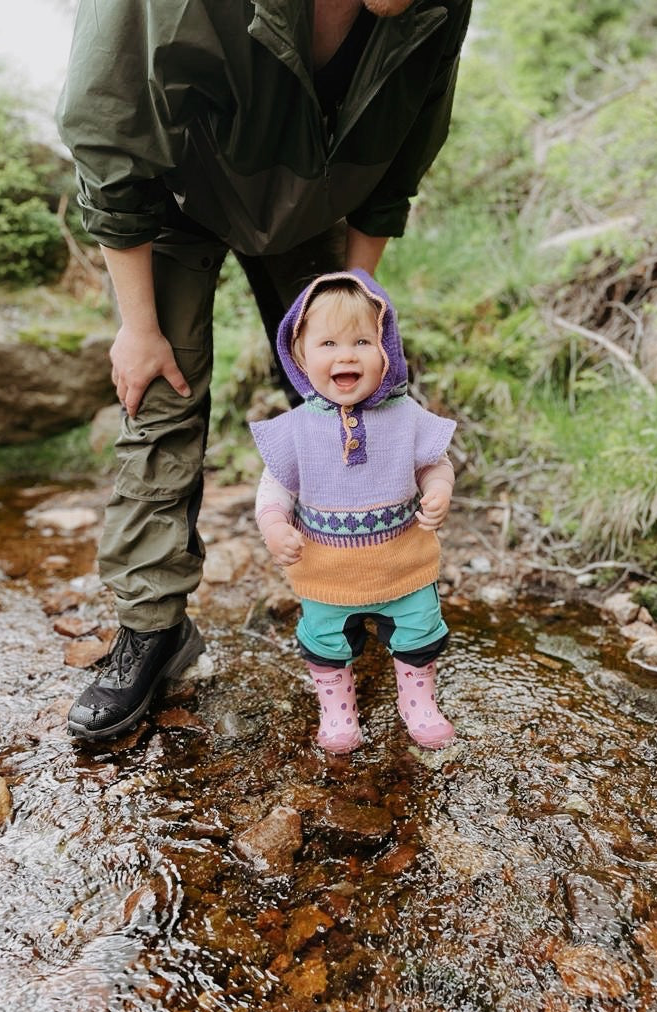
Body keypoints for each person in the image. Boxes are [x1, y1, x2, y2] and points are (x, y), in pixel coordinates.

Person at [56, 0, 472, 740]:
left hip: (312, 204)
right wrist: (138, 327)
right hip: (171, 200)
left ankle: (374, 585)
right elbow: (107, 124)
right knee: (161, 398)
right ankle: (153, 632)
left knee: (359, 397)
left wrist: (354, 311)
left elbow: (401, 149)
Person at [251, 270, 456, 752]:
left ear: (387, 350)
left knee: (419, 632)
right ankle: (338, 711)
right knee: (325, 643)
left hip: (404, 564)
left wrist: (439, 490)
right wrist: (273, 525)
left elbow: (434, 464)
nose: (345, 354)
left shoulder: (406, 415)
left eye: (362, 340)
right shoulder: (296, 428)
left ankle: (417, 700)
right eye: (327, 343)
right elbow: (274, 488)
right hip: (326, 572)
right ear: (299, 356)